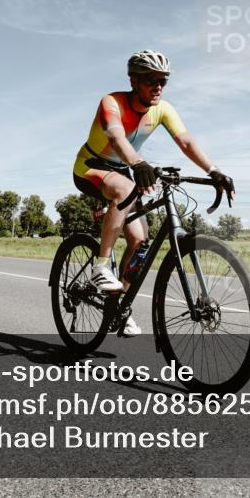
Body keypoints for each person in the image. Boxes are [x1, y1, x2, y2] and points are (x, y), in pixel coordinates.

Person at [72, 49, 234, 337]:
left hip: (124, 170)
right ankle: (100, 265)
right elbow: (115, 136)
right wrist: (138, 163)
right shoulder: (112, 102)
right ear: (134, 80)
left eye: (163, 81)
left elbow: (185, 141)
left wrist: (214, 171)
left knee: (139, 240)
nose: (157, 86)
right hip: (90, 166)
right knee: (124, 189)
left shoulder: (163, 109)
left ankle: (118, 309)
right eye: (150, 79)